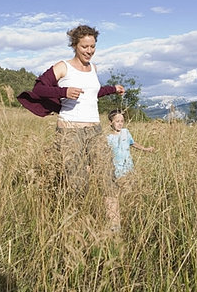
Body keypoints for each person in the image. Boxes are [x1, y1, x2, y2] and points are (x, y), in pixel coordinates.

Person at [17, 24, 125, 231]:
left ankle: (114, 229)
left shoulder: (93, 68)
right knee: (77, 184)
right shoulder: (63, 67)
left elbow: (92, 93)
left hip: (95, 130)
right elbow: (38, 88)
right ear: (75, 45)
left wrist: (112, 89)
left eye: (92, 46)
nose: (89, 51)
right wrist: (63, 92)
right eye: (85, 46)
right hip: (69, 131)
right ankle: (76, 229)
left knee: (107, 177)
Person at [107, 109, 154, 180]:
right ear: (110, 122)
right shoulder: (108, 137)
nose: (120, 124)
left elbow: (133, 143)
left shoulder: (125, 132)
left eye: (122, 121)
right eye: (117, 121)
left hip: (128, 166)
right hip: (116, 168)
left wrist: (145, 149)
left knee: (129, 184)